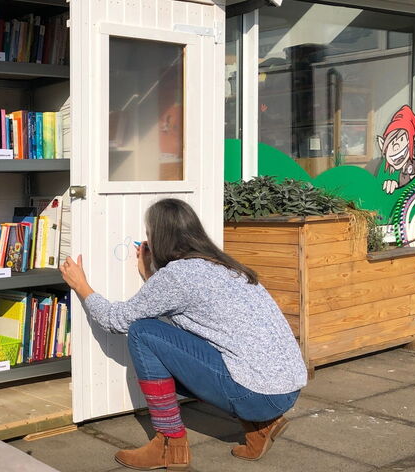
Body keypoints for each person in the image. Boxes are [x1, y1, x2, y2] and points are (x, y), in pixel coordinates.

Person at [59, 198, 307, 470]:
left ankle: (169, 443)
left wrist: (81, 286)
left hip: (257, 395)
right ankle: (262, 426)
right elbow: (191, 310)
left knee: (143, 332)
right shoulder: (223, 264)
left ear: (159, 237)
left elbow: (116, 320)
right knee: (189, 340)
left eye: (149, 233)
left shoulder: (178, 275)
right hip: (286, 390)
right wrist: (151, 276)